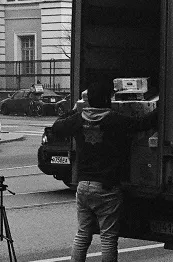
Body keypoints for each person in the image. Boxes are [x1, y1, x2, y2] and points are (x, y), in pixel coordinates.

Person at [52, 80, 158, 262]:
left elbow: (57, 126)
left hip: (84, 185)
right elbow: (142, 124)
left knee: (83, 234)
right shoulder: (114, 119)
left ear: (89, 100)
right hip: (107, 187)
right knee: (108, 238)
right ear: (108, 99)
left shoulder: (79, 119)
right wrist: (161, 108)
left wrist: (76, 109)